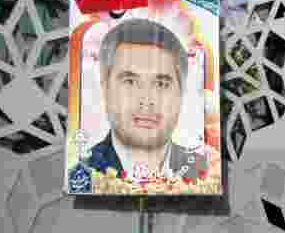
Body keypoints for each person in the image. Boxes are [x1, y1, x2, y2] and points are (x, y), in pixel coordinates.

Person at [74, 18, 201, 181]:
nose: (146, 100)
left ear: (181, 93)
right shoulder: (82, 172)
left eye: (161, 84)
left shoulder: (205, 172)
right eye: (130, 82)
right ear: (105, 88)